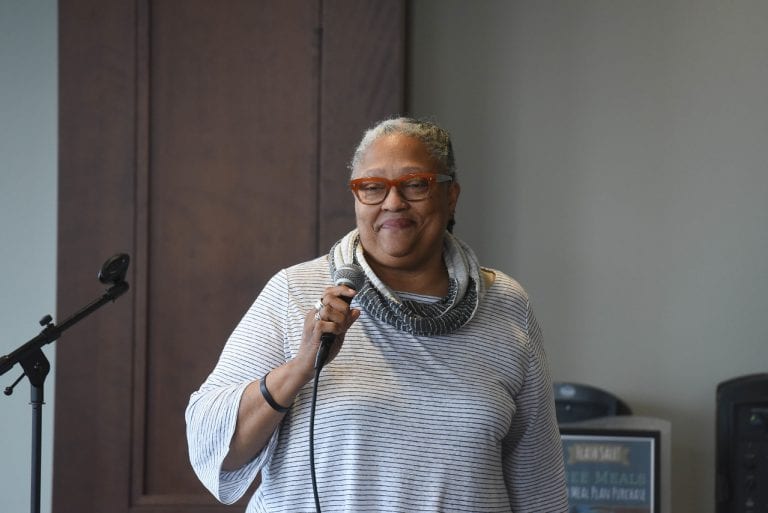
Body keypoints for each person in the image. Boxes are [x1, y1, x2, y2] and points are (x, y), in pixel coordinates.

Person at [185, 117, 569, 512]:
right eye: (372, 187)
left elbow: (538, 483)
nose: (392, 202)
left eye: (415, 183)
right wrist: (300, 367)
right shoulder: (295, 291)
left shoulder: (504, 303)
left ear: (450, 195)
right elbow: (212, 443)